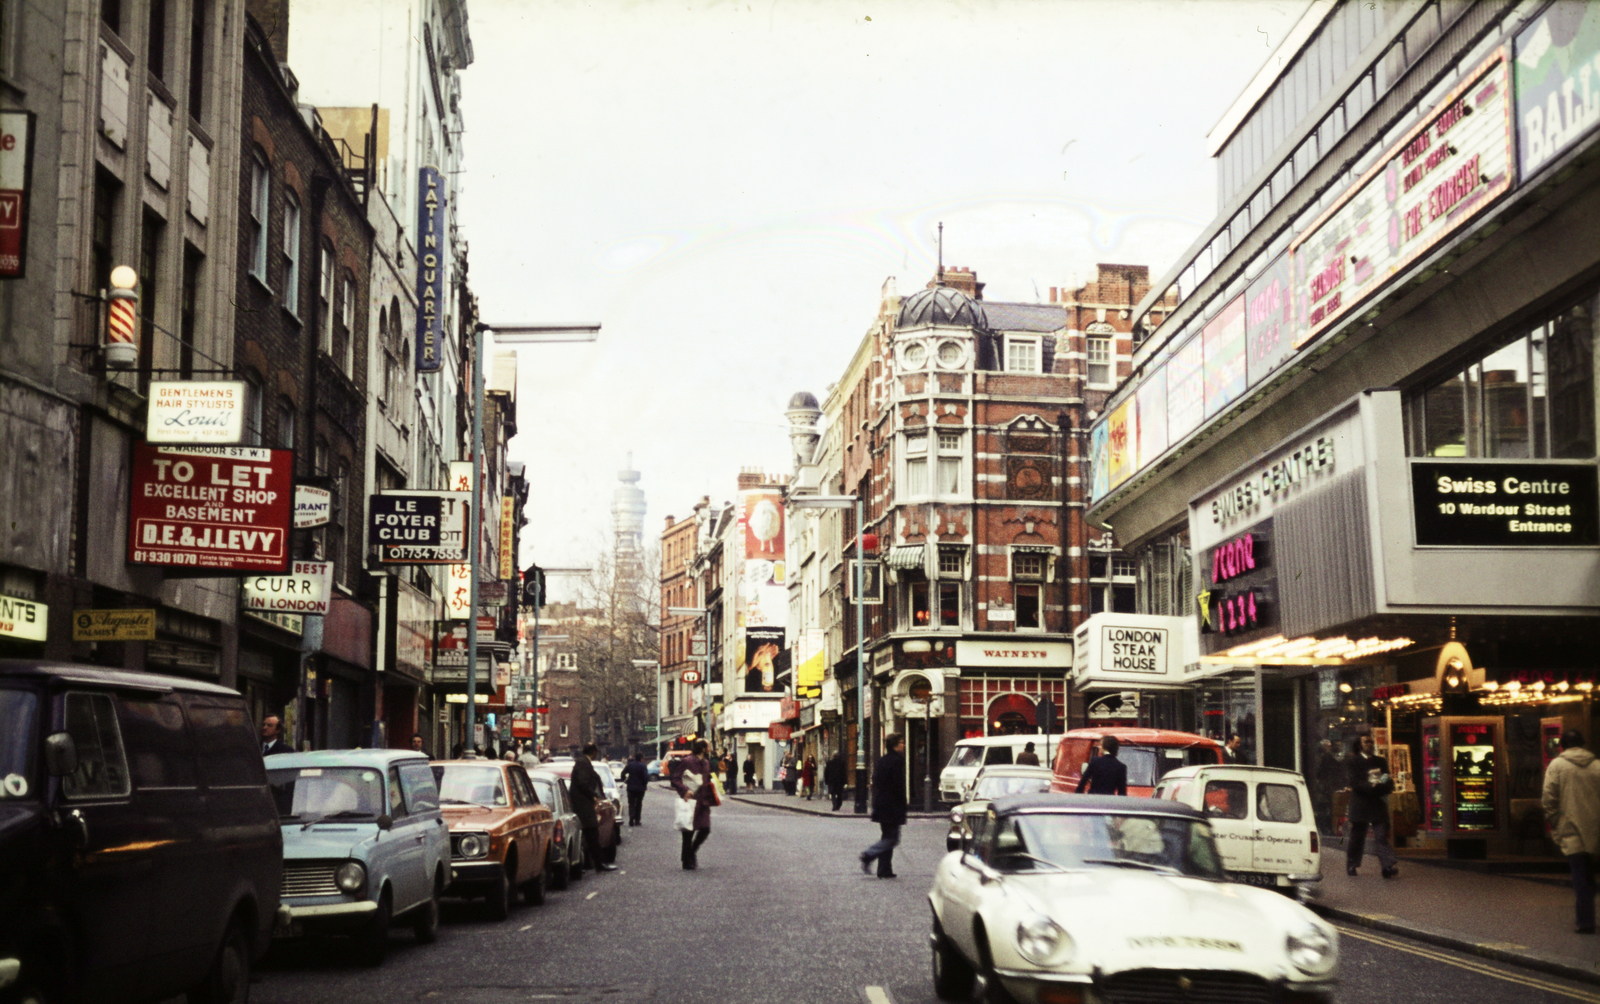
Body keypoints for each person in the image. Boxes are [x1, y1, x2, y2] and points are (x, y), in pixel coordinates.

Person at [1543, 728, 1600, 933]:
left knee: (1580, 877)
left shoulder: (1557, 765)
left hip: (1572, 830)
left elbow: (1549, 799)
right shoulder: (1597, 765)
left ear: (1562, 746)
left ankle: (1585, 922)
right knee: (1588, 875)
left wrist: (1556, 823)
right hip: (1596, 830)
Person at [1346, 734, 1398, 879]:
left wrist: (1381, 786)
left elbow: (1387, 779)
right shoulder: (1353, 762)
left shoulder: (1380, 761)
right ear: (1359, 745)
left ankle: (1387, 866)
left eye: (1370, 741)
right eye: (1366, 742)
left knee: (1381, 836)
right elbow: (1354, 782)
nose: (1369, 744)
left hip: (1377, 804)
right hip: (1360, 805)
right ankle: (1352, 864)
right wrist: (1370, 786)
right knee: (1357, 837)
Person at [860, 733, 907, 878]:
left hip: (881, 802)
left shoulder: (882, 760)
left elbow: (877, 780)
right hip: (892, 804)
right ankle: (869, 854)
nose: (903, 745)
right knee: (892, 838)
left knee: (887, 835)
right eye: (901, 743)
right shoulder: (897, 761)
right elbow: (898, 784)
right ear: (895, 745)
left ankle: (884, 869)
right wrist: (902, 803)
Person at [570, 743, 619, 872]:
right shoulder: (582, 762)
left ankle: (596, 863)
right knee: (592, 834)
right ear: (592, 752)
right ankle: (599, 864)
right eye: (596, 752)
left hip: (583, 804)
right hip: (582, 804)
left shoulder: (583, 762)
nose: (597, 754)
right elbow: (582, 781)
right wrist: (592, 795)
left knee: (590, 835)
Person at [671, 739, 716, 869]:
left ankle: (691, 853)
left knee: (705, 829)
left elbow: (707, 781)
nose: (710, 748)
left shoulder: (706, 763)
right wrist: (684, 790)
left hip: (703, 802)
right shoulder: (687, 761)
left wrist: (714, 792)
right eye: (709, 745)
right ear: (703, 749)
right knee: (688, 832)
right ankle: (687, 861)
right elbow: (676, 778)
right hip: (690, 801)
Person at [622, 753, 650, 826]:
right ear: (641, 758)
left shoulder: (630, 765)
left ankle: (631, 818)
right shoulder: (643, 766)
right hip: (640, 788)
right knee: (638, 803)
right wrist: (644, 784)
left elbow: (623, 773)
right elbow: (646, 777)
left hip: (631, 787)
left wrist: (626, 781)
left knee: (631, 803)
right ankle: (637, 820)